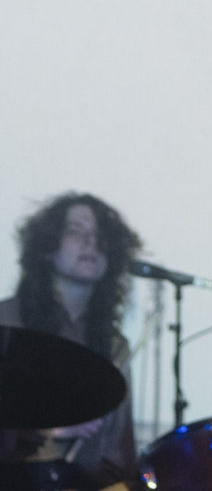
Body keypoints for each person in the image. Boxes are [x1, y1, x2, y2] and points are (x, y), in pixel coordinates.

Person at [0, 192, 143, 490]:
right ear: (46, 248)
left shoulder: (116, 346)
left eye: (99, 236)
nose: (90, 242)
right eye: (75, 231)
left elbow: (120, 457)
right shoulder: (7, 322)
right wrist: (52, 432)